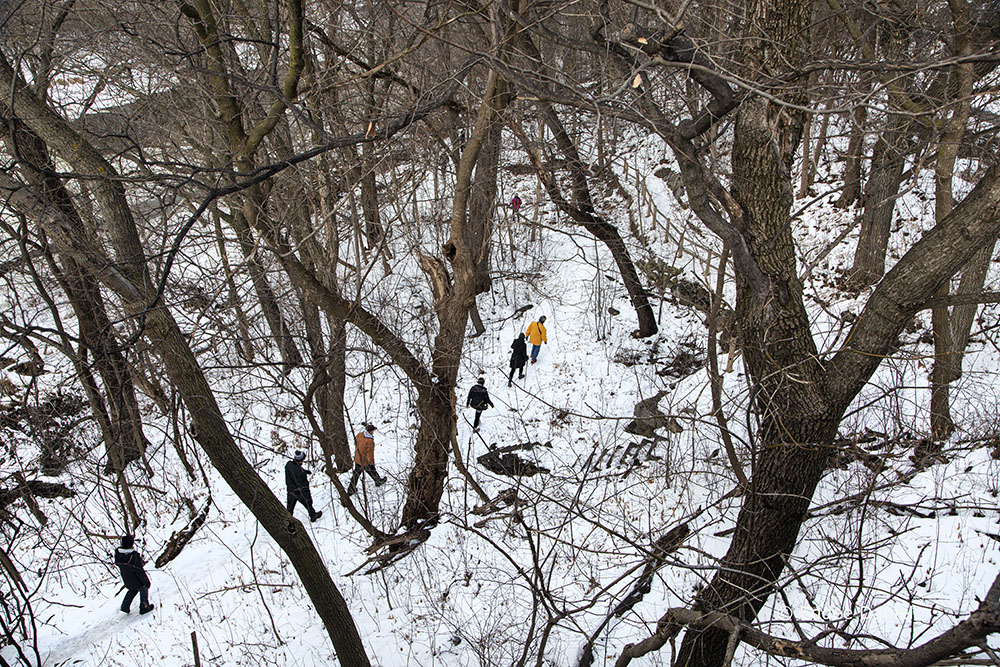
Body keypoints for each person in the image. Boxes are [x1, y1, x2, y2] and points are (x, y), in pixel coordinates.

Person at [114, 534, 154, 615]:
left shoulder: (118, 555)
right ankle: (144, 607)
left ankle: (125, 607)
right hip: (136, 579)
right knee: (143, 588)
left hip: (126, 578)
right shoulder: (134, 556)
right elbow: (139, 571)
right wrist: (146, 581)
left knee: (132, 589)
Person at [347, 423, 385, 495]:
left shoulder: (360, 434)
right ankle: (378, 481)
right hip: (364, 461)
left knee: (356, 474)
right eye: (373, 431)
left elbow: (355, 443)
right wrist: (371, 463)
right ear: (370, 431)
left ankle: (351, 489)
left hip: (357, 458)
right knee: (371, 470)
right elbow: (370, 454)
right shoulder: (370, 441)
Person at [285, 451, 322, 522]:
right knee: (308, 503)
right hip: (299, 492)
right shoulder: (301, 473)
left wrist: (304, 471)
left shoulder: (288, 465)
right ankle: (313, 516)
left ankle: (287, 521)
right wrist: (309, 498)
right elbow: (304, 487)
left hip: (290, 491)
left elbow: (294, 470)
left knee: (289, 510)